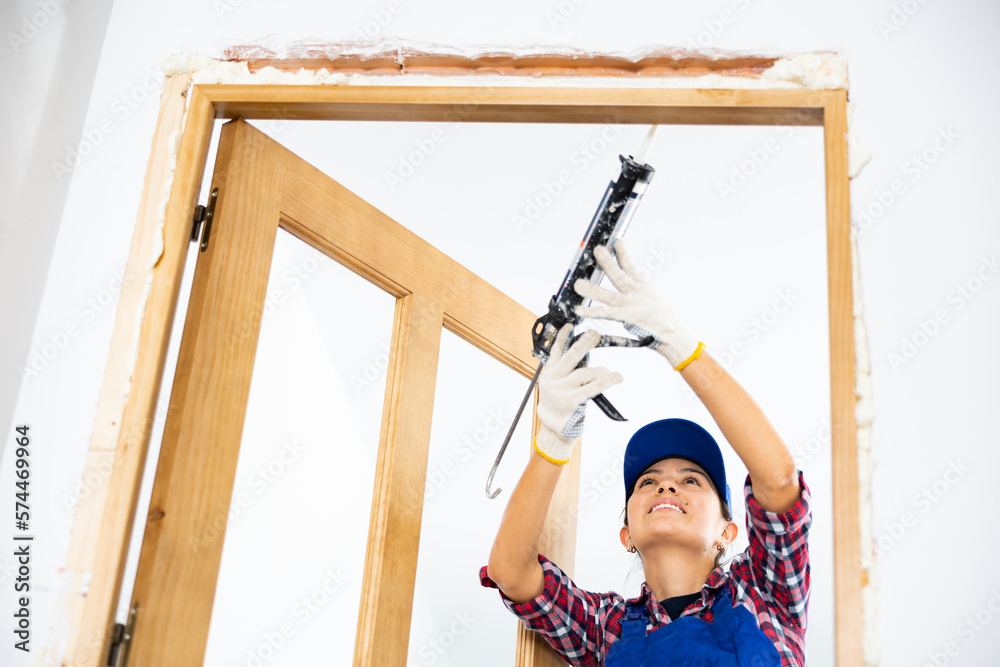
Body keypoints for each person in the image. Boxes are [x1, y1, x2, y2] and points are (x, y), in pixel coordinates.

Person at [481, 241, 811, 666]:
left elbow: (779, 480)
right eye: (648, 482)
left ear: (727, 533)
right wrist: (554, 441)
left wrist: (680, 345)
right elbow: (510, 571)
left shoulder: (763, 591)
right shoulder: (607, 628)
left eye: (691, 479)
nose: (666, 486)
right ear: (627, 536)